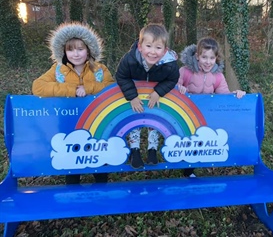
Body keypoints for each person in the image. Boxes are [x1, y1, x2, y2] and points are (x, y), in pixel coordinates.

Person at [32, 22, 115, 184]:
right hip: (68, 124)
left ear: (88, 50)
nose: (75, 54)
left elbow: (111, 87)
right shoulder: (58, 70)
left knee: (98, 162)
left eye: (80, 49)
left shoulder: (99, 70)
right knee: (71, 164)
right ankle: (72, 196)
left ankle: (101, 195)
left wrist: (88, 88)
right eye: (70, 50)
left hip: (96, 123)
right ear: (63, 51)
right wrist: (71, 90)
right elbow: (38, 87)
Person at [177, 37, 246, 177]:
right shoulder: (185, 71)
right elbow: (172, 88)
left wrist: (235, 94)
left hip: (204, 116)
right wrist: (178, 88)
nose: (208, 62)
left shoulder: (218, 76)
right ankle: (186, 168)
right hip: (186, 114)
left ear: (216, 58)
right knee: (188, 139)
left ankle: (192, 168)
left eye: (211, 58)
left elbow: (224, 95)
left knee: (202, 138)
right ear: (197, 56)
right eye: (204, 57)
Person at [115, 23, 180, 169]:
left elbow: (172, 79)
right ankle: (135, 149)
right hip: (135, 96)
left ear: (165, 51)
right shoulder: (130, 59)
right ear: (140, 46)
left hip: (155, 97)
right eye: (148, 46)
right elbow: (121, 76)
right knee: (134, 119)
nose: (152, 52)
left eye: (158, 48)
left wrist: (158, 92)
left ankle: (152, 148)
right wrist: (132, 96)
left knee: (155, 118)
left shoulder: (170, 65)